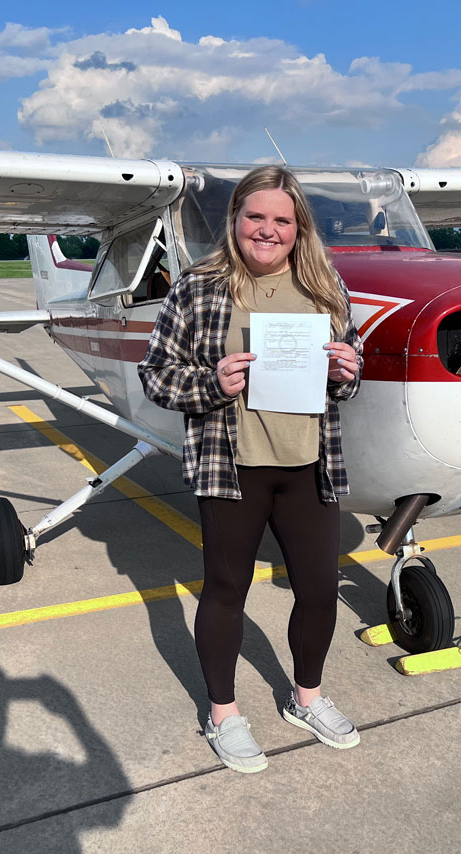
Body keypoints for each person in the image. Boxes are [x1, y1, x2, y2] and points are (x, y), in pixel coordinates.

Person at [138, 166, 363, 773]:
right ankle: (223, 714)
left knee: (318, 590)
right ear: (235, 218)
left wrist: (347, 371)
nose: (268, 230)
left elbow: (351, 366)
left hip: (308, 466)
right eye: (255, 216)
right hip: (231, 467)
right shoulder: (198, 287)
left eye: (282, 220)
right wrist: (211, 382)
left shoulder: (325, 286)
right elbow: (156, 374)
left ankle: (306, 698)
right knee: (226, 590)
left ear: (299, 228)